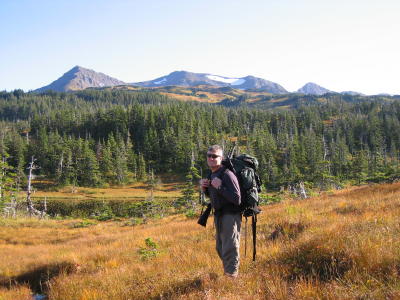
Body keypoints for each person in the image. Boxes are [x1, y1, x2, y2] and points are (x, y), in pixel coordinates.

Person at [200, 145, 241, 277]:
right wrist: (205, 189)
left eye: (215, 156)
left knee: (230, 248)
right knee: (220, 248)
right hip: (218, 215)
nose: (211, 158)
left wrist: (221, 187)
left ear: (221, 158)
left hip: (230, 215)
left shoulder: (227, 174)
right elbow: (214, 195)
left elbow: (237, 198)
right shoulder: (212, 174)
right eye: (209, 156)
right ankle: (229, 272)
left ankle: (231, 278)